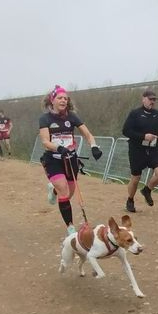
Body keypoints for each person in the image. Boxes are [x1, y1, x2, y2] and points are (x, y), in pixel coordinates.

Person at [39, 85, 103, 236]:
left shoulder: (72, 116)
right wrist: (59, 148)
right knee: (63, 190)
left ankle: (53, 190)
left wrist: (94, 146)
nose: (63, 100)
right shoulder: (45, 118)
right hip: (54, 159)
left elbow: (88, 134)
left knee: (68, 194)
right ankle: (70, 228)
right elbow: (45, 142)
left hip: (70, 159)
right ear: (52, 100)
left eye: (65, 98)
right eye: (60, 98)